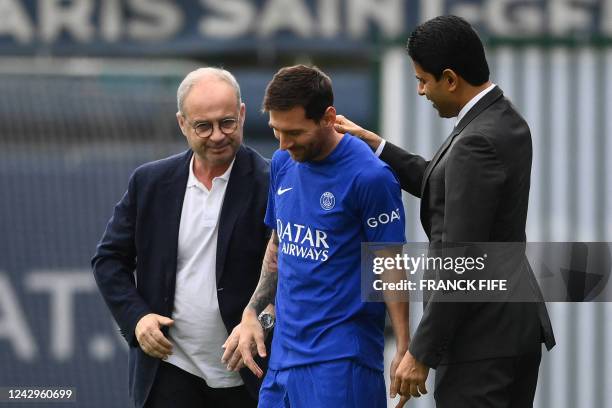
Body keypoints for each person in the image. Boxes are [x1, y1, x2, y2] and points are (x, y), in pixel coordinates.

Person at [334, 15, 556, 408]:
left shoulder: (475, 141)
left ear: (450, 79)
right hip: (512, 330)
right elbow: (446, 186)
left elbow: (461, 257)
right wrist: (376, 144)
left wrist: (421, 352)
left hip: (481, 341)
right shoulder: (504, 119)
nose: (420, 91)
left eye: (423, 80)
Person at [223, 65, 410, 407]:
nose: (283, 142)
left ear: (328, 117)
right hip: (282, 361)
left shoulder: (370, 177)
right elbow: (280, 243)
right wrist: (252, 313)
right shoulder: (282, 163)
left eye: (294, 132)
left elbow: (389, 263)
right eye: (276, 131)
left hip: (341, 363)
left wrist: (405, 346)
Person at [91, 67, 270, 408]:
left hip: (251, 377)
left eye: (228, 122)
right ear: (182, 124)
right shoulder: (150, 182)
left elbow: (287, 273)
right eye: (204, 126)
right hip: (169, 371)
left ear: (243, 115)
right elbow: (108, 260)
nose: (218, 135)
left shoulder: (273, 182)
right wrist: (138, 318)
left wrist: (260, 321)